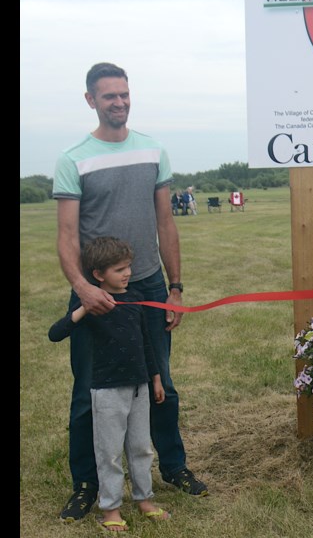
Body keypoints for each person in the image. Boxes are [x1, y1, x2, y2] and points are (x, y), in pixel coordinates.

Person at [53, 62, 207, 523]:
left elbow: (166, 222)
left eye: (123, 94)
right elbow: (66, 236)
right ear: (90, 101)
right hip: (97, 293)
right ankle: (87, 484)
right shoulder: (72, 158)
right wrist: (82, 287)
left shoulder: (153, 150)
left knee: (162, 385)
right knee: (89, 392)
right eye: (108, 96)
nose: (118, 102)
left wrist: (175, 287)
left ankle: (173, 468)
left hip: (147, 287)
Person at [49, 237, 171, 532]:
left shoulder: (136, 299)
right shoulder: (91, 306)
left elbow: (146, 344)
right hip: (107, 390)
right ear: (99, 275)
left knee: (141, 448)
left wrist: (155, 378)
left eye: (128, 267)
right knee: (110, 452)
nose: (127, 273)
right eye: (119, 269)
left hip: (140, 388)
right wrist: (84, 309)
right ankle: (111, 509)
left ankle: (144, 500)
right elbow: (56, 333)